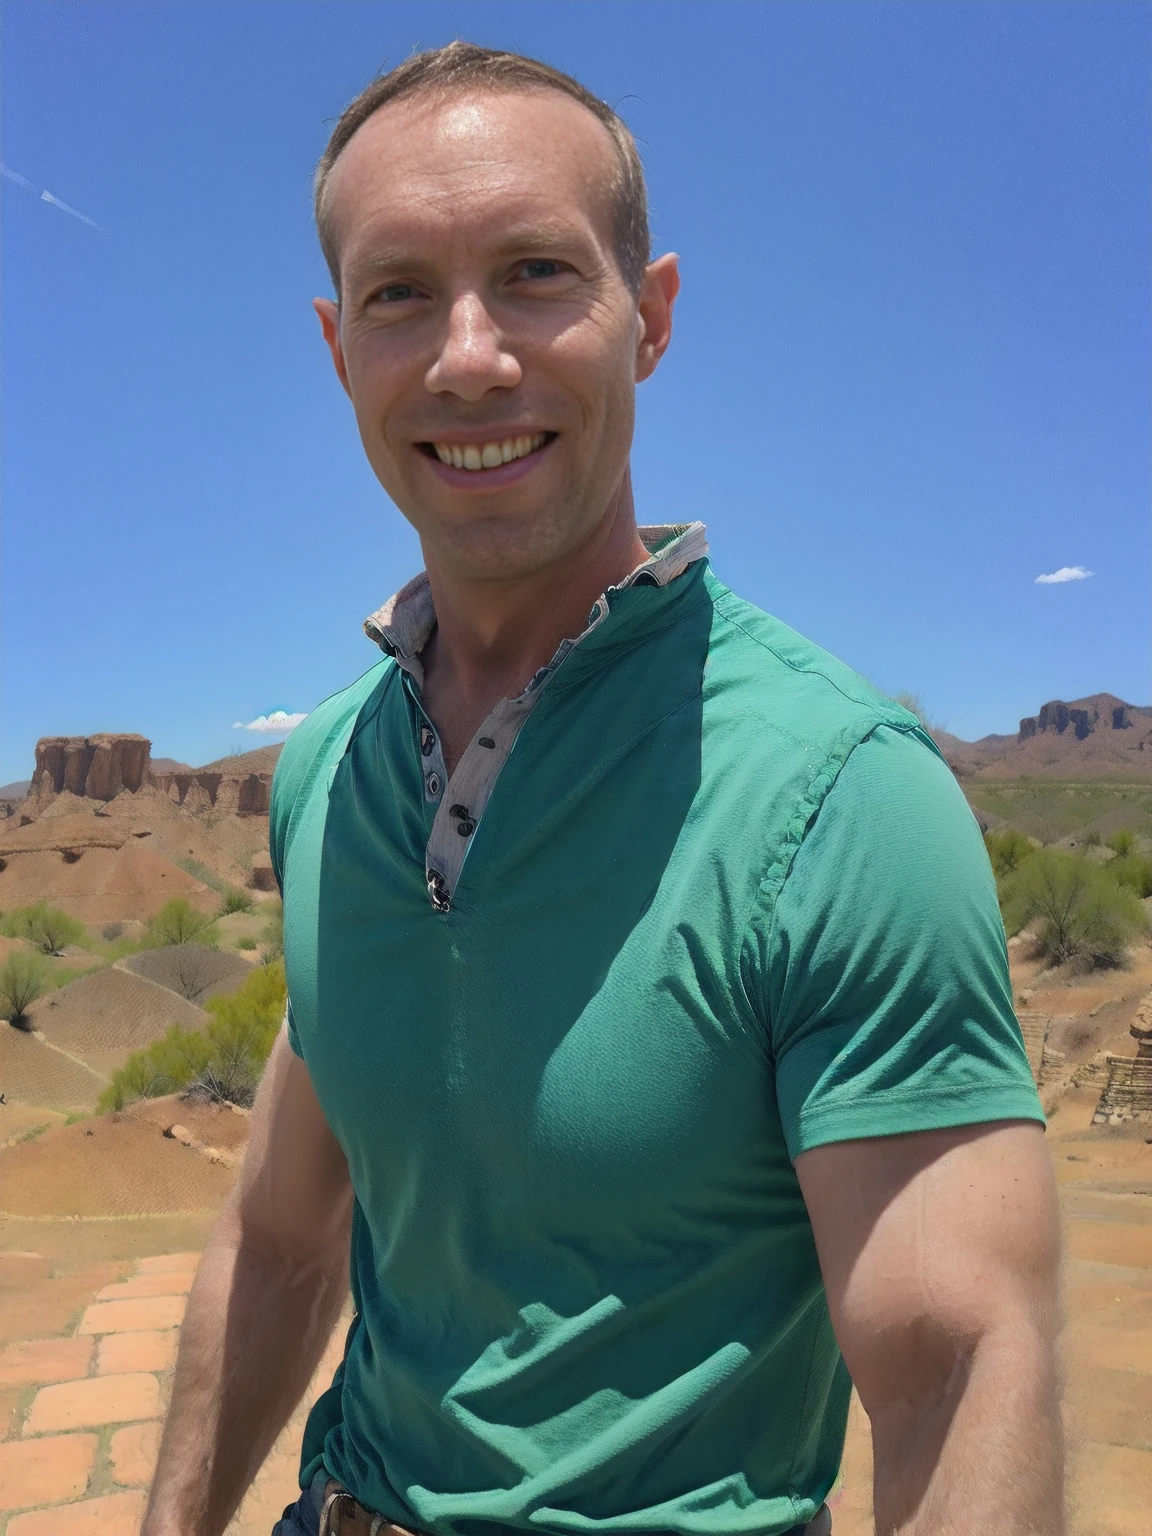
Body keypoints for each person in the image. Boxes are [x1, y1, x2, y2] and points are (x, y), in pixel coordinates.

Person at [142, 42, 1062, 1536]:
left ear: (653, 318)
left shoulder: (834, 793)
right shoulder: (327, 771)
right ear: (335, 348)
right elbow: (281, 1235)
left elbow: (957, 1370)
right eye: (398, 294)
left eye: (534, 274)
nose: (468, 357)